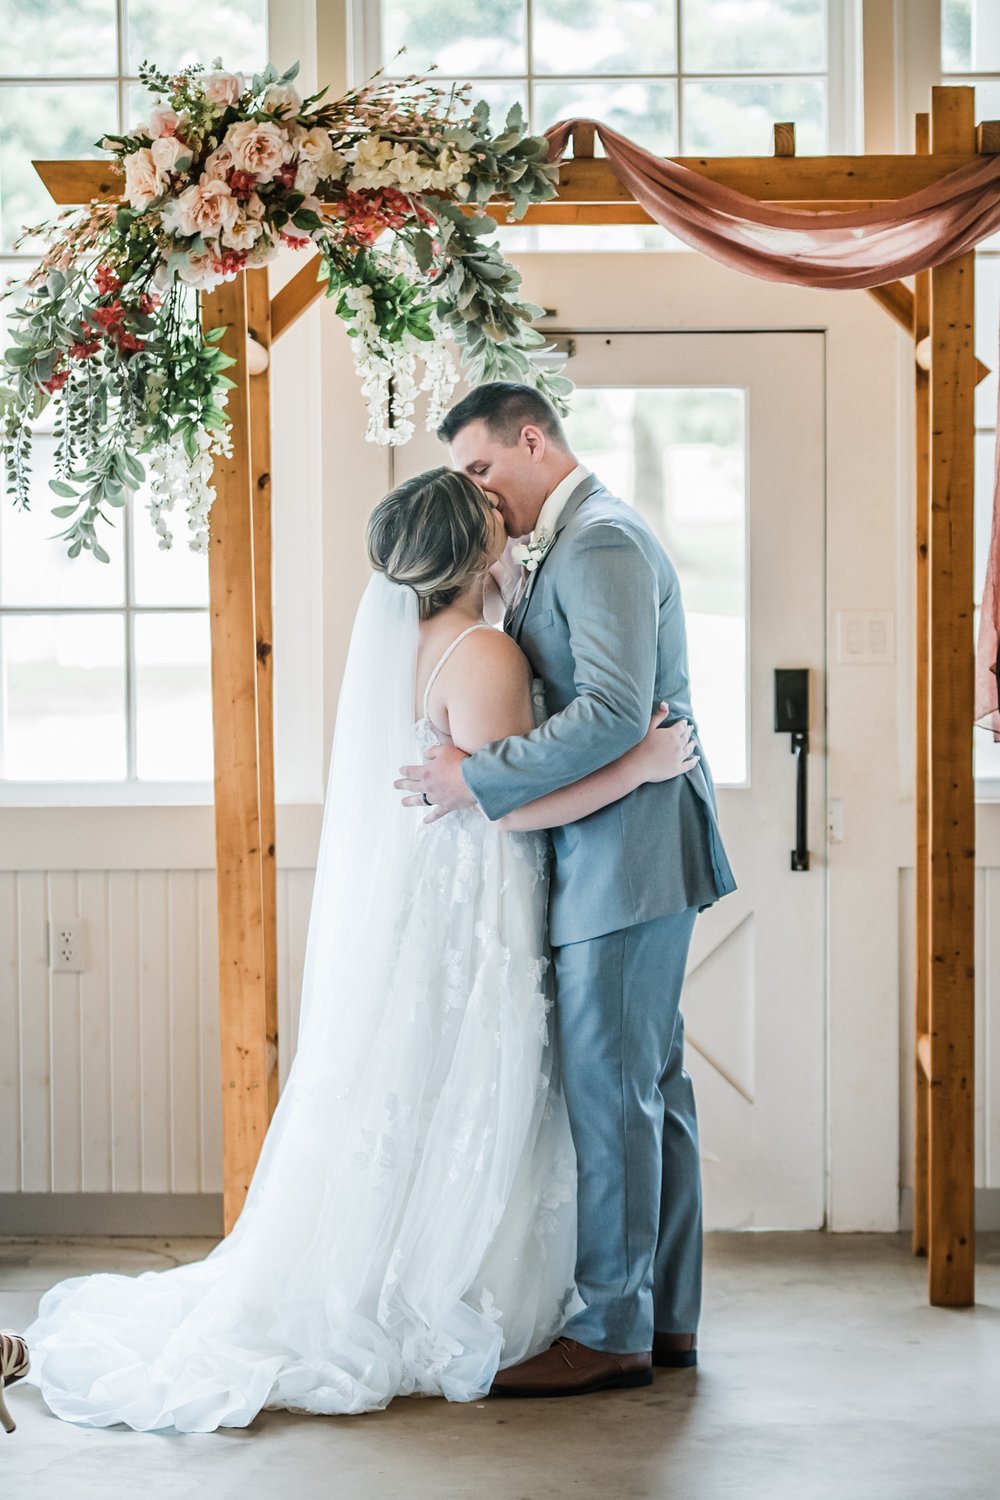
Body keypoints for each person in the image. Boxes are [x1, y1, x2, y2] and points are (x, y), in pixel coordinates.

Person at [19, 466, 696, 1433]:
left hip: (429, 901)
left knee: (421, 1089)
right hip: (481, 906)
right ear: (477, 548)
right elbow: (515, 809)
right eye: (498, 522)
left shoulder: (412, 645)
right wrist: (642, 761)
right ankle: (460, 1282)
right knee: (480, 1083)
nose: (512, 527)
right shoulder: (486, 655)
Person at [397, 383, 736, 1397]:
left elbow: (613, 716)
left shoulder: (599, 543)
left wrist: (475, 778)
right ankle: (662, 1319)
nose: (480, 495)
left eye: (482, 469)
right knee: (644, 1091)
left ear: (532, 440)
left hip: (625, 858)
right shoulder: (576, 540)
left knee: (612, 1094)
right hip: (612, 852)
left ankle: (613, 1332)